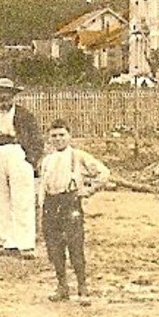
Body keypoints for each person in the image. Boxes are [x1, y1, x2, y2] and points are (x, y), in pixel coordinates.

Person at [35, 121, 110, 306]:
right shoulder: (46, 160)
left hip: (70, 202)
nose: (58, 139)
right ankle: (62, 287)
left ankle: (82, 287)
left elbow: (103, 173)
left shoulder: (78, 156)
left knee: (75, 245)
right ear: (49, 138)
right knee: (54, 247)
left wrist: (88, 190)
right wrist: (41, 207)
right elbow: (42, 185)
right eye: (54, 136)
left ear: (69, 136)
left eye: (62, 135)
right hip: (51, 205)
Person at [0, 77, 43, 257]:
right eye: (0, 93)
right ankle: (9, 242)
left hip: (18, 153)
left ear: (13, 95)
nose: (4, 97)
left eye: (7, 93)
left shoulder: (24, 115)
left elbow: (37, 140)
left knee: (22, 198)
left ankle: (26, 244)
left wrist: (30, 159)